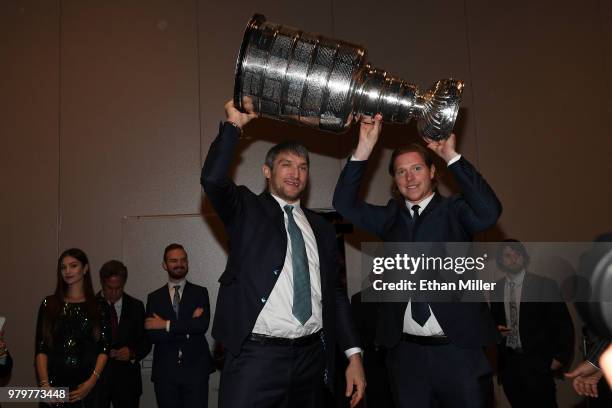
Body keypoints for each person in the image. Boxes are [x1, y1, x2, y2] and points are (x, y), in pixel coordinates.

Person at [201, 99, 365, 408]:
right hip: (255, 359)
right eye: (286, 164)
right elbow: (212, 179)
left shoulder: (322, 228)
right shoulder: (246, 210)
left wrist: (353, 355)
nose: (295, 173)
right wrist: (234, 125)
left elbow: (336, 295)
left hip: (312, 360)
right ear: (267, 171)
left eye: (303, 167)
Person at [333, 114, 501, 408]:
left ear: (433, 171)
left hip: (459, 352)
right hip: (406, 357)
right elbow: (343, 204)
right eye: (400, 172)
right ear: (395, 181)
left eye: (416, 168)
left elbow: (490, 211)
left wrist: (451, 155)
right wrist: (364, 147)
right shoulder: (389, 218)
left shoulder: (455, 211)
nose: (409, 178)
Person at [490, 239, 574, 407]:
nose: (513, 259)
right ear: (501, 261)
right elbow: (494, 321)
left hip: (538, 364)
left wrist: (560, 357)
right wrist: (495, 330)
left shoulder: (545, 285)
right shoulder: (497, 288)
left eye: (517, 254)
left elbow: (563, 324)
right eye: (507, 255)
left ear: (524, 257)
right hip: (509, 366)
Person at [35, 248, 110, 407]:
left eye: (73, 265)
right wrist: (45, 386)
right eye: (63, 267)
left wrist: (91, 383)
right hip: (55, 386)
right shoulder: (49, 304)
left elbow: (104, 348)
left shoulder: (100, 305)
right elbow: (41, 348)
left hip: (89, 386)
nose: (67, 271)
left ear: (85, 268)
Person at [145, 243, 213, 408]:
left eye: (183, 260)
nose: (179, 264)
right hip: (165, 372)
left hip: (196, 370)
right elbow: (153, 335)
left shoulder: (200, 292)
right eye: (174, 260)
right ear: (165, 265)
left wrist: (165, 324)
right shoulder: (154, 297)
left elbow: (201, 326)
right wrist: (188, 325)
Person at [97, 260, 151, 408]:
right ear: (102, 283)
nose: (113, 292)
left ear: (124, 283)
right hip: (97, 382)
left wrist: (132, 353)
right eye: (109, 288)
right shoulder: (89, 306)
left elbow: (146, 341)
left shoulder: (136, 306)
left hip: (128, 383)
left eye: (118, 288)